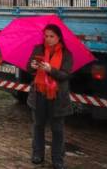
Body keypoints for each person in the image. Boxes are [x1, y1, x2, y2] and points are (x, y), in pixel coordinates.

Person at [27, 24, 72, 169]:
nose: (48, 39)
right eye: (46, 36)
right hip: (39, 93)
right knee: (38, 125)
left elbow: (65, 75)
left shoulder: (66, 53)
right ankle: (37, 154)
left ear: (58, 37)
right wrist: (32, 66)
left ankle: (57, 159)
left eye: (52, 36)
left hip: (57, 96)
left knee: (57, 129)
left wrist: (50, 70)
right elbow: (28, 67)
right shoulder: (38, 49)